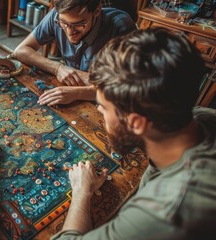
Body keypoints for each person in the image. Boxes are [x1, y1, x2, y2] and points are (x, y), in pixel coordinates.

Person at [51, 28, 216, 240]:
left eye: (103, 107)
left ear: (135, 122)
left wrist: (82, 191)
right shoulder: (197, 116)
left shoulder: (166, 210)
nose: (99, 111)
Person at [13, 0, 136, 106]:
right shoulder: (57, 15)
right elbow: (21, 51)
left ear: (97, 10)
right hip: (75, 91)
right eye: (63, 23)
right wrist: (58, 68)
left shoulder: (120, 25)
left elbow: (128, 89)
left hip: (105, 102)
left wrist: (79, 92)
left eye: (78, 24)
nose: (69, 31)